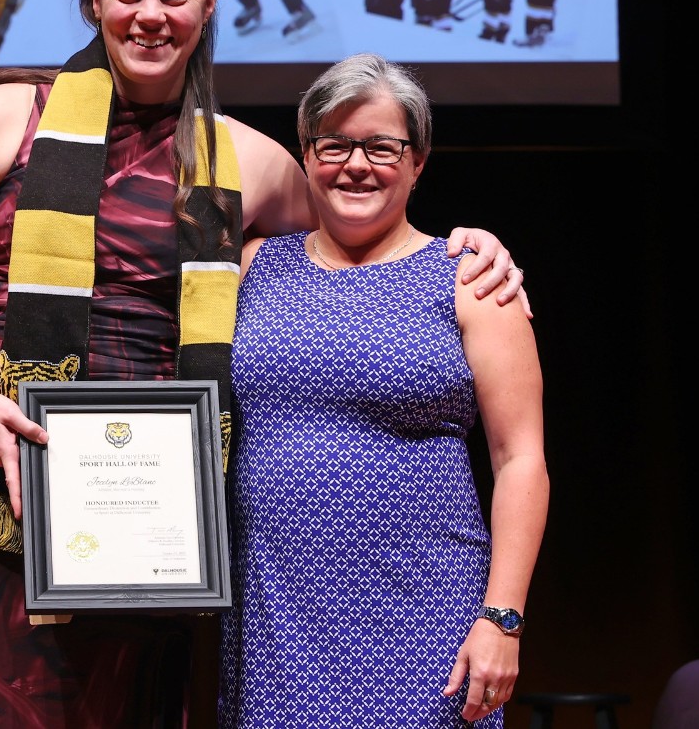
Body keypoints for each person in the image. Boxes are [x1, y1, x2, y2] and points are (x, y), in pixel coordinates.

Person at [0, 0, 527, 727]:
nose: (151, 14)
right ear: (94, 0)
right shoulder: (3, 117)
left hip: (158, 516)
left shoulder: (250, 160)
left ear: (211, 4)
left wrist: (468, 246)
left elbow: (363, 242)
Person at [218, 53, 547, 727]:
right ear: (307, 156)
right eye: (333, 144)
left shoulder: (471, 279)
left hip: (427, 616)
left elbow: (522, 461)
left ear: (418, 160)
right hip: (276, 618)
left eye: (382, 146)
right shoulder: (252, 267)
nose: (356, 165)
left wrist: (503, 619)